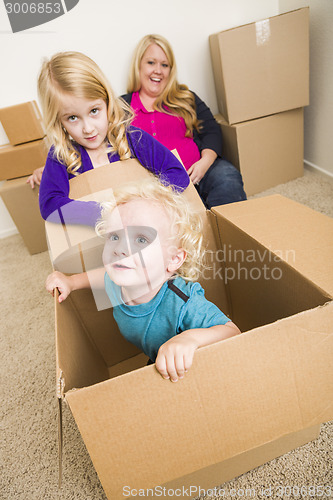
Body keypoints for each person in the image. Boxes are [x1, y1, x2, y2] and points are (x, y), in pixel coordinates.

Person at [46, 178, 241, 382]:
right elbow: (102, 276)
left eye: (141, 239)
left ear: (174, 259)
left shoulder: (184, 301)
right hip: (158, 357)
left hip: (190, 361)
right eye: (114, 236)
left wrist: (189, 339)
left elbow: (232, 331)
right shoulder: (120, 279)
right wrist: (72, 282)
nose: (120, 249)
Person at [37, 51, 190, 226]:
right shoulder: (61, 155)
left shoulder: (133, 138)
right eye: (72, 118)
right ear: (58, 120)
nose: (88, 128)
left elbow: (177, 173)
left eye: (94, 111)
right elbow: (49, 205)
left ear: (108, 101)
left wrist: (144, 202)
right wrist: (107, 212)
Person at [121, 34, 247, 209]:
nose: (158, 70)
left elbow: (211, 130)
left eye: (164, 65)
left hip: (201, 171)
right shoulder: (122, 107)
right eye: (151, 63)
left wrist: (205, 162)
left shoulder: (186, 98)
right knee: (188, 215)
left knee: (227, 178)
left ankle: (233, 231)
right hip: (159, 187)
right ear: (139, 66)